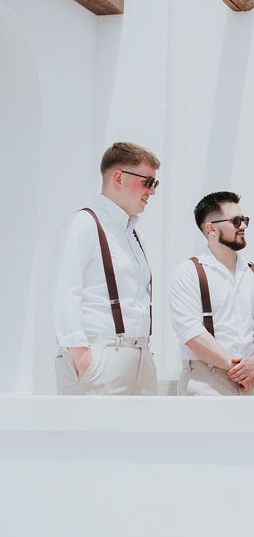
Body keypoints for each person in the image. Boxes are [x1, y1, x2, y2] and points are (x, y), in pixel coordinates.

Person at [53, 142, 161, 395]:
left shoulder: (134, 234)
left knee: (145, 433)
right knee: (90, 434)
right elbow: (65, 292)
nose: (152, 191)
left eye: (155, 184)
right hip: (100, 356)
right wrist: (81, 356)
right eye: (148, 182)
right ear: (118, 177)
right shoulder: (84, 224)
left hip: (139, 356)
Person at [169, 192, 254, 395]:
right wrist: (237, 369)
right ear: (211, 228)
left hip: (251, 381)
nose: (243, 226)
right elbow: (190, 331)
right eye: (236, 221)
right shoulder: (189, 272)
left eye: (244, 220)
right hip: (205, 380)